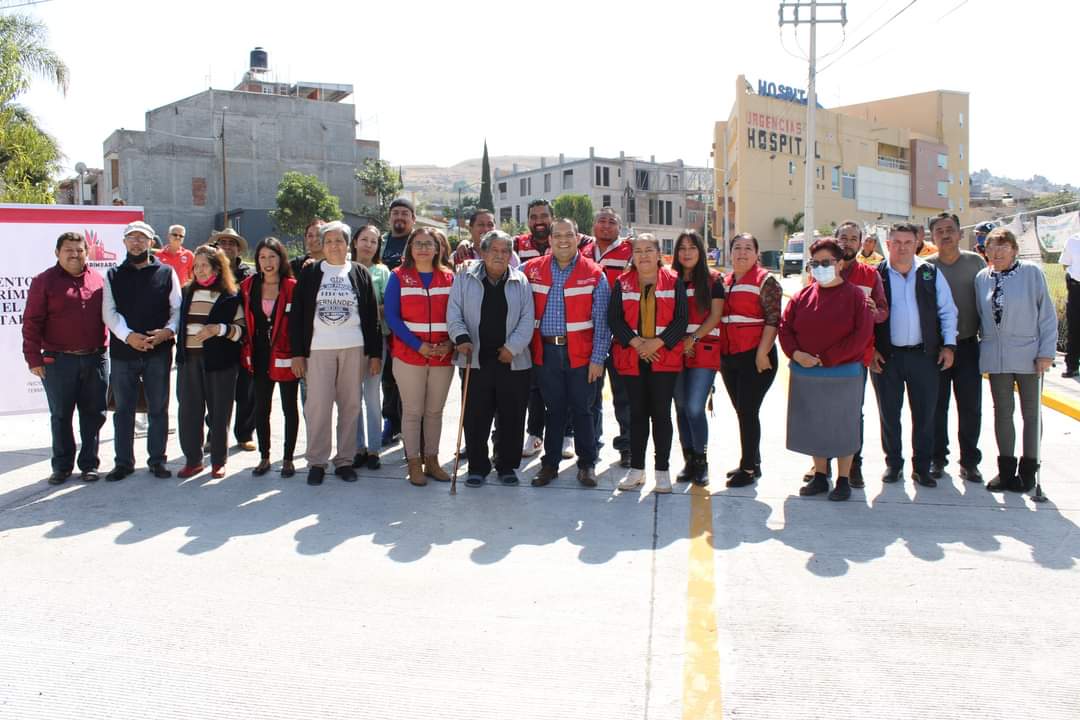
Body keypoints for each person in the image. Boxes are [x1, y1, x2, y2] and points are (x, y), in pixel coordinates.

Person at [780, 238, 874, 501]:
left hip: (843, 374)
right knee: (814, 425)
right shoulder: (802, 296)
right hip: (808, 373)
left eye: (826, 262)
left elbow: (862, 334)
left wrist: (827, 358)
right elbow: (785, 328)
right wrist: (797, 353)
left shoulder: (856, 296)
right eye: (815, 263)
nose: (820, 268)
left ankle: (844, 479)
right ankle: (821, 476)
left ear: (840, 263)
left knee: (843, 426)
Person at [289, 220, 383, 485]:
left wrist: (375, 354)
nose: (333, 245)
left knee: (351, 405)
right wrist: (298, 353)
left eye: (338, 240)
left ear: (347, 243)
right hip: (318, 349)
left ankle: (344, 460)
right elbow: (296, 316)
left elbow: (371, 317)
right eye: (328, 241)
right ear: (322, 244)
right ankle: (317, 462)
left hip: (354, 348)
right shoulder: (310, 274)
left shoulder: (359, 273)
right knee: (318, 406)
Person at [523, 218, 610, 488]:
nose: (563, 240)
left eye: (568, 235)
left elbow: (603, 322)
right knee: (554, 411)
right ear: (549, 240)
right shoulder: (531, 270)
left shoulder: (595, 273)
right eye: (557, 235)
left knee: (583, 411)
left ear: (577, 238)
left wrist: (597, 359)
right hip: (546, 353)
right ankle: (549, 465)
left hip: (581, 357)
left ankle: (587, 465)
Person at [870, 222, 958, 487]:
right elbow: (865, 315)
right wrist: (870, 349)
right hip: (887, 358)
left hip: (924, 357)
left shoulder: (930, 273)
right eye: (896, 242)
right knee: (889, 414)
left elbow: (947, 311)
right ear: (888, 245)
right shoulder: (876, 275)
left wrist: (949, 346)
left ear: (917, 243)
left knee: (925, 415)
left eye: (908, 242)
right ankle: (893, 464)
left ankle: (922, 467)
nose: (902, 248)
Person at [447, 230, 535, 487]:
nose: (499, 255)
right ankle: (477, 466)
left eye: (505, 250)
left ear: (511, 255)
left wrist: (513, 348)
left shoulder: (521, 280)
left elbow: (528, 319)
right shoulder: (464, 277)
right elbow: (453, 311)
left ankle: (507, 465)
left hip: (512, 361)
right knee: (475, 416)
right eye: (494, 250)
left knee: (512, 416)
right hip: (475, 358)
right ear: (483, 252)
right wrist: (460, 337)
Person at [23, 231, 110, 484]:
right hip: (58, 361)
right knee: (61, 415)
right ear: (57, 253)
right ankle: (61, 466)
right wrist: (33, 359)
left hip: (96, 359)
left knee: (94, 414)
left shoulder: (100, 280)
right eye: (68, 250)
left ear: (87, 252)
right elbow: (31, 322)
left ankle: (89, 464)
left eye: (79, 250)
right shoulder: (44, 282)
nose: (74, 254)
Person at [975, 228, 1058, 492]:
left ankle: (1029, 470)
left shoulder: (1031, 273)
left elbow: (1046, 315)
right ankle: (1006, 471)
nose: (997, 253)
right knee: (1002, 412)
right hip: (996, 356)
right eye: (992, 247)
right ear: (985, 251)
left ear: (1014, 249)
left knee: (1031, 414)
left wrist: (1046, 352)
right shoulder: (981, 278)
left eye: (1003, 247)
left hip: (1029, 355)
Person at [102, 220, 182, 480]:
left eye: (142, 238)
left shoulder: (167, 273)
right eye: (132, 238)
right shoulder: (113, 274)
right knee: (123, 410)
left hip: (158, 352)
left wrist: (167, 332)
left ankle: (157, 460)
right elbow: (109, 312)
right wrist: (129, 337)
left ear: (151, 242)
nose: (137, 242)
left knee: (158, 408)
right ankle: (123, 463)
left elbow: (177, 309)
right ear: (125, 242)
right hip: (124, 353)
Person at [609, 234, 688, 493]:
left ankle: (662, 471)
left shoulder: (674, 282)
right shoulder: (622, 283)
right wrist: (637, 344)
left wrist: (656, 343)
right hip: (633, 359)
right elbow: (615, 320)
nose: (643, 255)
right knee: (637, 415)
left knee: (662, 415)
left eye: (648, 250)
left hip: (663, 358)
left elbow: (680, 320)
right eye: (638, 250)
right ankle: (637, 470)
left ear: (658, 254)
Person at [384, 227, 456, 486]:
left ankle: (432, 460)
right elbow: (392, 317)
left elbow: (457, 314)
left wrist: (450, 342)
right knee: (413, 412)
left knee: (435, 411)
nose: (424, 248)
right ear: (410, 249)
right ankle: (414, 462)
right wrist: (417, 345)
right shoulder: (398, 276)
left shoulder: (449, 277)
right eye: (419, 244)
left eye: (429, 243)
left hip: (442, 356)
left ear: (438, 248)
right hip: (409, 356)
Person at [825, 220, 890, 488]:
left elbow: (883, 312)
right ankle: (822, 465)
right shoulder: (823, 271)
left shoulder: (870, 275)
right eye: (844, 237)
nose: (848, 243)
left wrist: (874, 311)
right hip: (824, 356)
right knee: (824, 410)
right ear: (835, 240)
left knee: (853, 413)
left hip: (855, 358)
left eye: (853, 238)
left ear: (861, 242)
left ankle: (854, 466)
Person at [926, 212, 987, 482]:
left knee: (970, 406)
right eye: (939, 231)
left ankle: (969, 462)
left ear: (961, 234)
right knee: (937, 407)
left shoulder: (975, 262)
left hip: (968, 346)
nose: (945, 234)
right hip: (936, 350)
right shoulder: (925, 266)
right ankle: (937, 459)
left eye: (950, 229)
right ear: (932, 237)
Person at [175, 245, 245, 479]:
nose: (199, 270)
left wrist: (218, 329)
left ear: (217, 267)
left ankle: (218, 461)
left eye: (204, 265)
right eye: (196, 266)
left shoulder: (230, 296)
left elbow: (241, 332)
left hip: (220, 363)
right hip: (189, 362)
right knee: (189, 412)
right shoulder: (186, 293)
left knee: (219, 413)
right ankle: (193, 461)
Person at [719, 233, 781, 488]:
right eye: (737, 248)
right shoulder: (725, 281)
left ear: (757, 254)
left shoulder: (766, 281)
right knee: (742, 411)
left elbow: (773, 319)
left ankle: (748, 468)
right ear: (730, 252)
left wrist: (762, 352)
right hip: (729, 356)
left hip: (755, 357)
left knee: (748, 411)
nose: (742, 253)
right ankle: (752, 461)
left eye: (747, 248)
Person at [518, 199, 575, 461]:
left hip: (566, 330)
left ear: (552, 219)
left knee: (567, 389)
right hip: (531, 333)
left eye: (543, 216)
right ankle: (534, 433)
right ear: (528, 220)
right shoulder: (518, 245)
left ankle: (567, 436)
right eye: (533, 216)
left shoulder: (571, 240)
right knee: (534, 389)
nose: (538, 220)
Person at [240, 237, 300, 478]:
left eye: (272, 256)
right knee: (261, 408)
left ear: (281, 258)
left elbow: (300, 326)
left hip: (286, 355)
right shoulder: (248, 286)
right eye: (262, 257)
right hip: (259, 356)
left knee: (289, 407)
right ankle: (264, 457)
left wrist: (299, 356)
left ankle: (288, 459)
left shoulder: (292, 287)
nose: (267, 262)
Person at [579, 207, 634, 467]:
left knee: (624, 396)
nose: (605, 225)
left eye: (611, 222)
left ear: (619, 228)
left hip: (621, 334)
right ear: (593, 226)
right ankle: (592, 445)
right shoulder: (583, 252)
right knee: (591, 396)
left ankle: (627, 446)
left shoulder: (630, 251)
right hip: (591, 335)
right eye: (601, 220)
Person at [671, 230, 725, 485]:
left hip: (703, 349)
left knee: (694, 407)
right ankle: (689, 461)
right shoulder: (670, 280)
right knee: (680, 407)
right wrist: (679, 343)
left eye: (692, 247)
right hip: (675, 351)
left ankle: (702, 462)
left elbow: (715, 316)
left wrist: (692, 339)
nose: (687, 252)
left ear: (701, 251)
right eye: (682, 248)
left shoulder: (714, 280)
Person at [209, 227, 256, 451]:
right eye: (223, 242)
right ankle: (214, 434)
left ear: (238, 249)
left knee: (247, 390)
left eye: (231, 243)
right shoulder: (209, 272)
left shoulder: (249, 274)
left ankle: (244, 434)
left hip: (246, 339)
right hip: (218, 339)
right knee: (217, 392)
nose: (227, 246)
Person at [351, 224, 390, 470]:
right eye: (364, 239)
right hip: (347, 341)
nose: (368, 244)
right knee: (351, 397)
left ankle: (374, 449)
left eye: (373, 241)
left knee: (372, 396)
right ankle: (357, 447)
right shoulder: (343, 269)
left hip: (376, 340)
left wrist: (364, 312)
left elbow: (387, 306)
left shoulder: (382, 272)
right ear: (354, 241)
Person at [379, 198, 416, 447]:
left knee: (409, 378)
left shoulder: (419, 242)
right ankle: (390, 421)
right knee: (387, 376)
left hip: (412, 321)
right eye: (395, 213)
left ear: (413, 218)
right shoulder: (380, 243)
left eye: (405, 213)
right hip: (383, 322)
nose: (399, 217)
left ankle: (409, 424)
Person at [1060, 230, 1080, 378]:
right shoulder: (1073, 240)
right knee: (1074, 328)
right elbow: (1065, 264)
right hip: (1076, 289)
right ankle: (1072, 366)